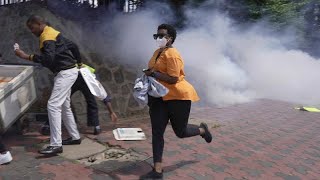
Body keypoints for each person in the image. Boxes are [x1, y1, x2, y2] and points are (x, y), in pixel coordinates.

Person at [140, 24, 212, 179]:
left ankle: (202, 130)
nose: (158, 38)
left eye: (161, 36)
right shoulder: (157, 52)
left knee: (181, 132)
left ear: (170, 38)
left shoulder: (173, 54)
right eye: (156, 36)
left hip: (178, 97)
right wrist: (148, 75)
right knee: (157, 132)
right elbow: (154, 71)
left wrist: (154, 74)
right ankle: (157, 171)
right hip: (159, 97)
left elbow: (173, 79)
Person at [14, 15, 82, 155]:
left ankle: (56, 144)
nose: (32, 31)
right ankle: (75, 137)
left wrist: (26, 56)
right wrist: (79, 62)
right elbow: (73, 46)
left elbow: (48, 60)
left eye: (32, 28)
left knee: (53, 105)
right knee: (64, 105)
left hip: (65, 73)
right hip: (69, 71)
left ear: (39, 23)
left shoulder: (47, 37)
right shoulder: (53, 32)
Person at [41, 64, 118, 136]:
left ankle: (48, 125)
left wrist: (112, 112)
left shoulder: (89, 74)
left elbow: (103, 95)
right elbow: (103, 95)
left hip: (72, 77)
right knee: (91, 102)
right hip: (77, 77)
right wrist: (111, 112)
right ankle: (96, 127)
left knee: (59, 101)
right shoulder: (92, 77)